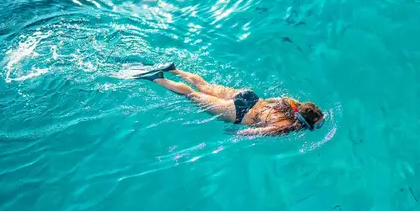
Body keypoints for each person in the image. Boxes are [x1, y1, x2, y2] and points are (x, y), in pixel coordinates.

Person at [132, 63, 325, 136]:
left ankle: (173, 69)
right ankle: (158, 78)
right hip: (239, 113)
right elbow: (259, 132)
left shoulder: (290, 103)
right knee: (191, 94)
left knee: (204, 86)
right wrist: (238, 133)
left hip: (249, 97)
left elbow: (274, 99)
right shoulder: (286, 125)